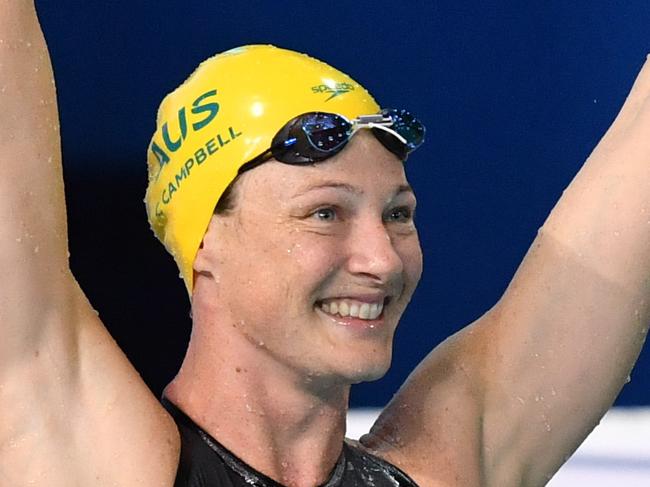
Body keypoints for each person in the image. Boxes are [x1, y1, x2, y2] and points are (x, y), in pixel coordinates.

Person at [2, 2, 649, 486]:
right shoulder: (89, 455)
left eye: (398, 214)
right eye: (324, 213)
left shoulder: (446, 466)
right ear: (206, 239)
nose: (381, 258)